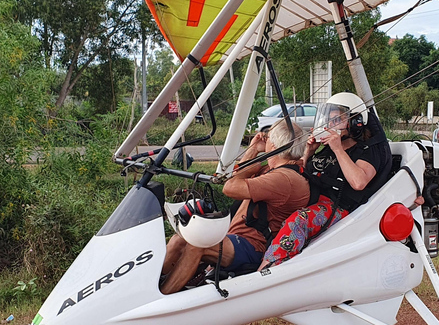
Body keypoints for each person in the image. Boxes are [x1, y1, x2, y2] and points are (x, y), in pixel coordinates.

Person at [160, 119, 309, 294]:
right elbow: (237, 175)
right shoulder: (274, 171)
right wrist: (253, 149)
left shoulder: (283, 179)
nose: (265, 140)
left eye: (268, 137)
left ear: (275, 144)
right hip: (237, 237)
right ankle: (154, 285)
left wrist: (254, 151)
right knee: (180, 238)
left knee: (198, 243)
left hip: (254, 246)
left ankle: (163, 296)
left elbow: (229, 187)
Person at [258, 92, 391, 270]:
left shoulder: (366, 151)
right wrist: (309, 152)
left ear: (355, 122)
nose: (330, 125)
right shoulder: (328, 147)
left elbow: (359, 182)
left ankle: (267, 269)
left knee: (299, 220)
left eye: (337, 120)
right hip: (312, 198)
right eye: (329, 119)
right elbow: (301, 174)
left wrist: (338, 149)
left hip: (337, 207)